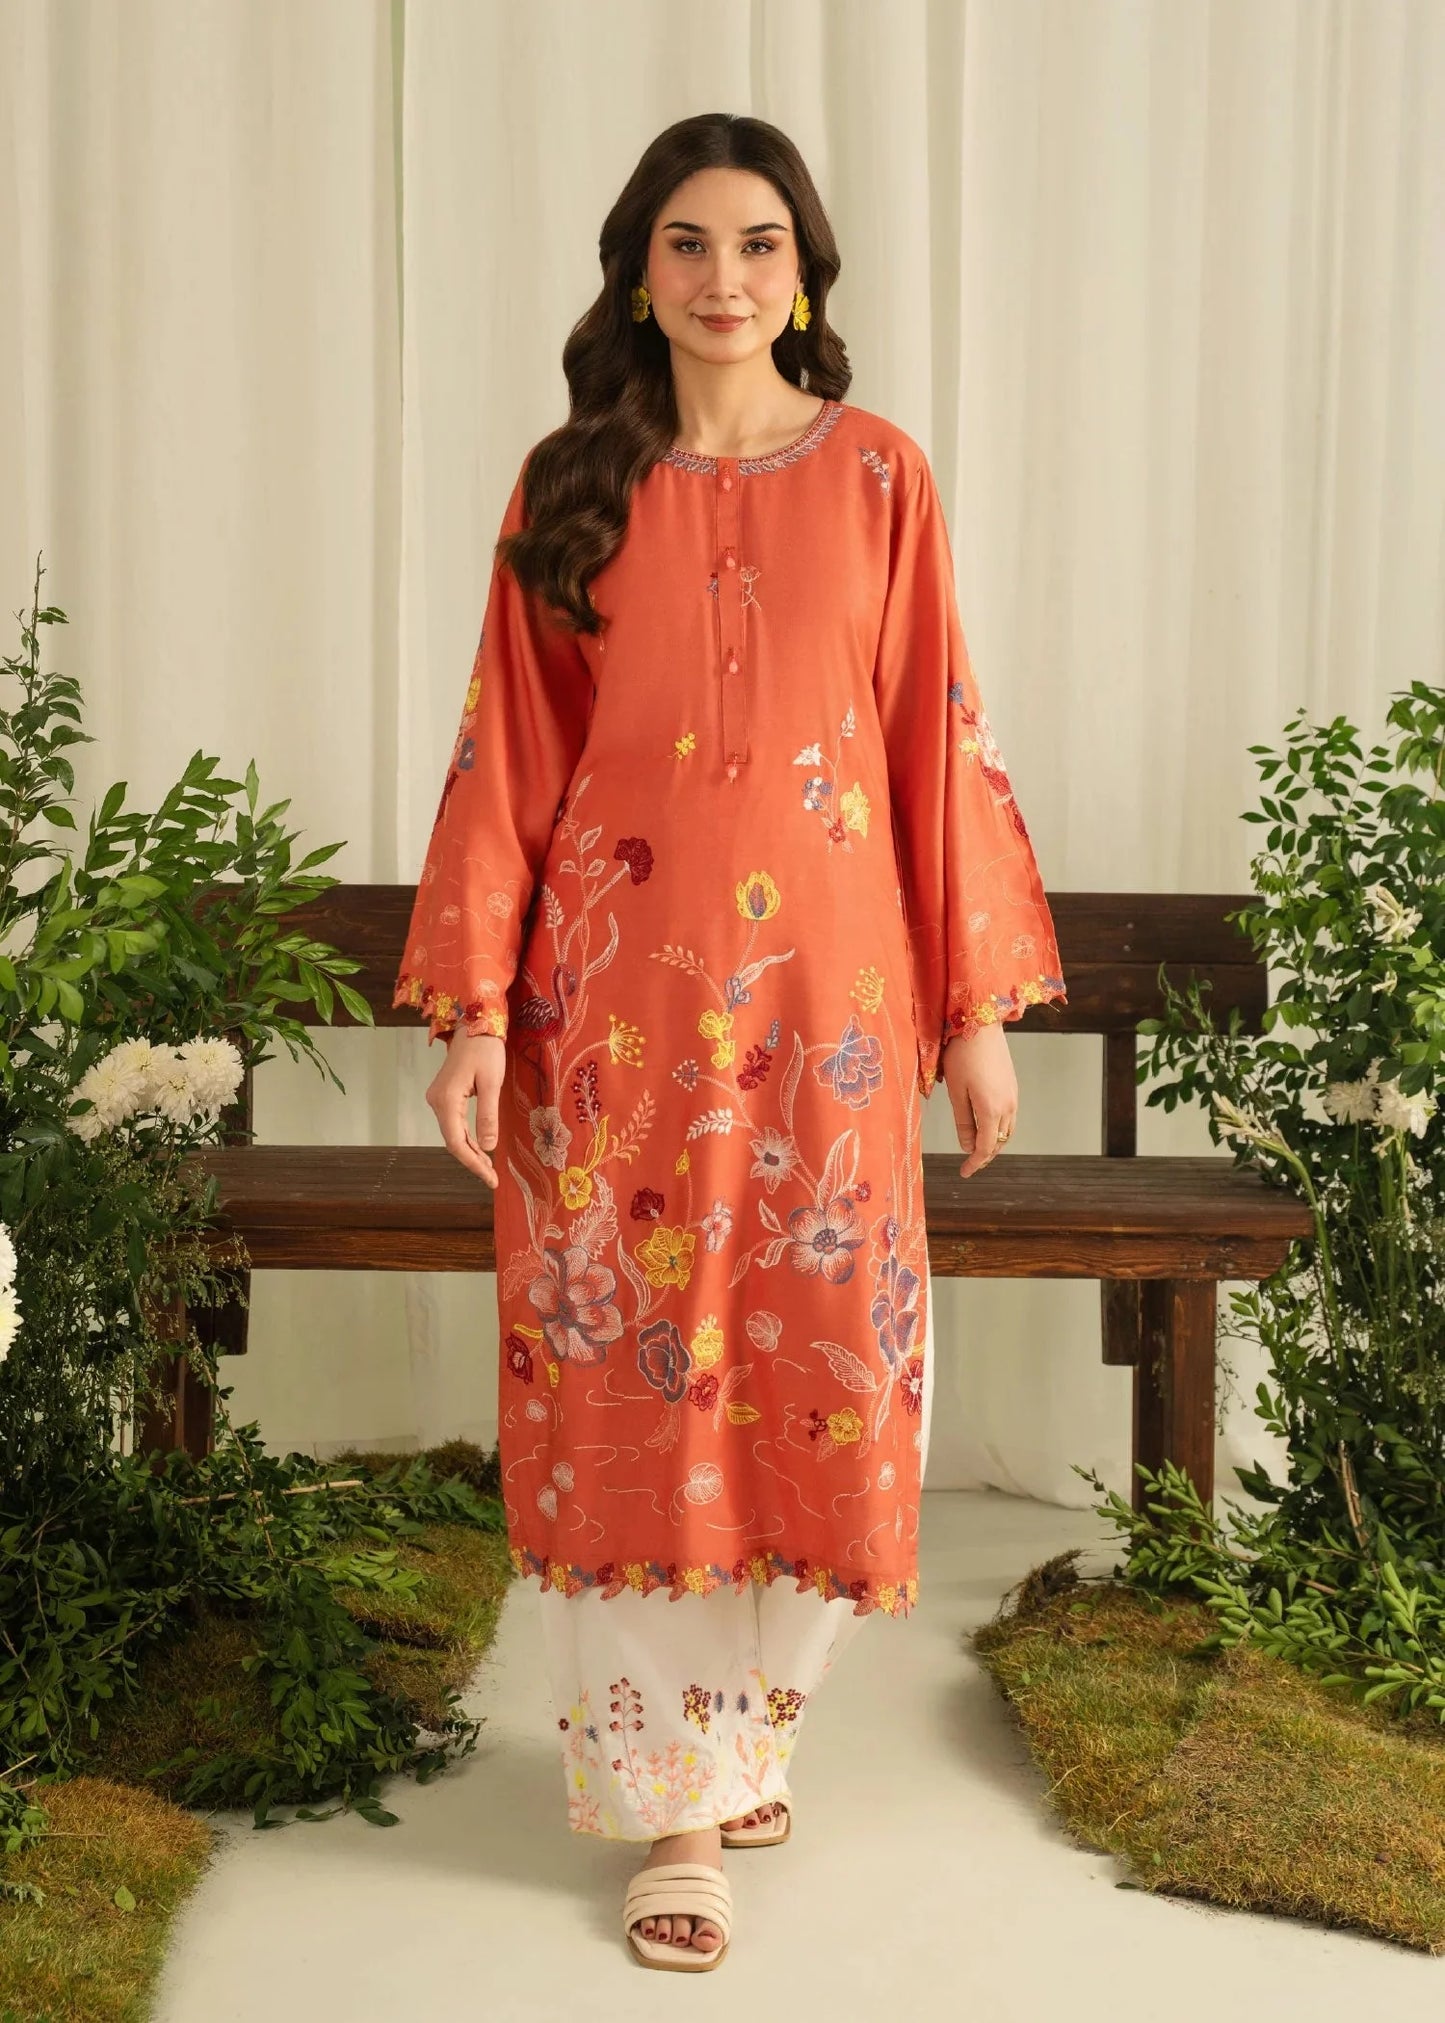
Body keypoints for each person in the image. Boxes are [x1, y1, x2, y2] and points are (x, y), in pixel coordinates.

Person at [393, 112, 1067, 1972]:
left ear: (804, 271)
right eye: (686, 246)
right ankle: (674, 1805)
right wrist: (466, 1011)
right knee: (632, 1368)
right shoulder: (570, 484)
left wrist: (973, 1020)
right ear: (637, 270)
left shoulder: (877, 481)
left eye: (757, 245)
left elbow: (934, 735)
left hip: (828, 1032)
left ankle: (742, 1714)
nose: (721, 280)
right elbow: (505, 757)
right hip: (609, 1019)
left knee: (825, 1362)